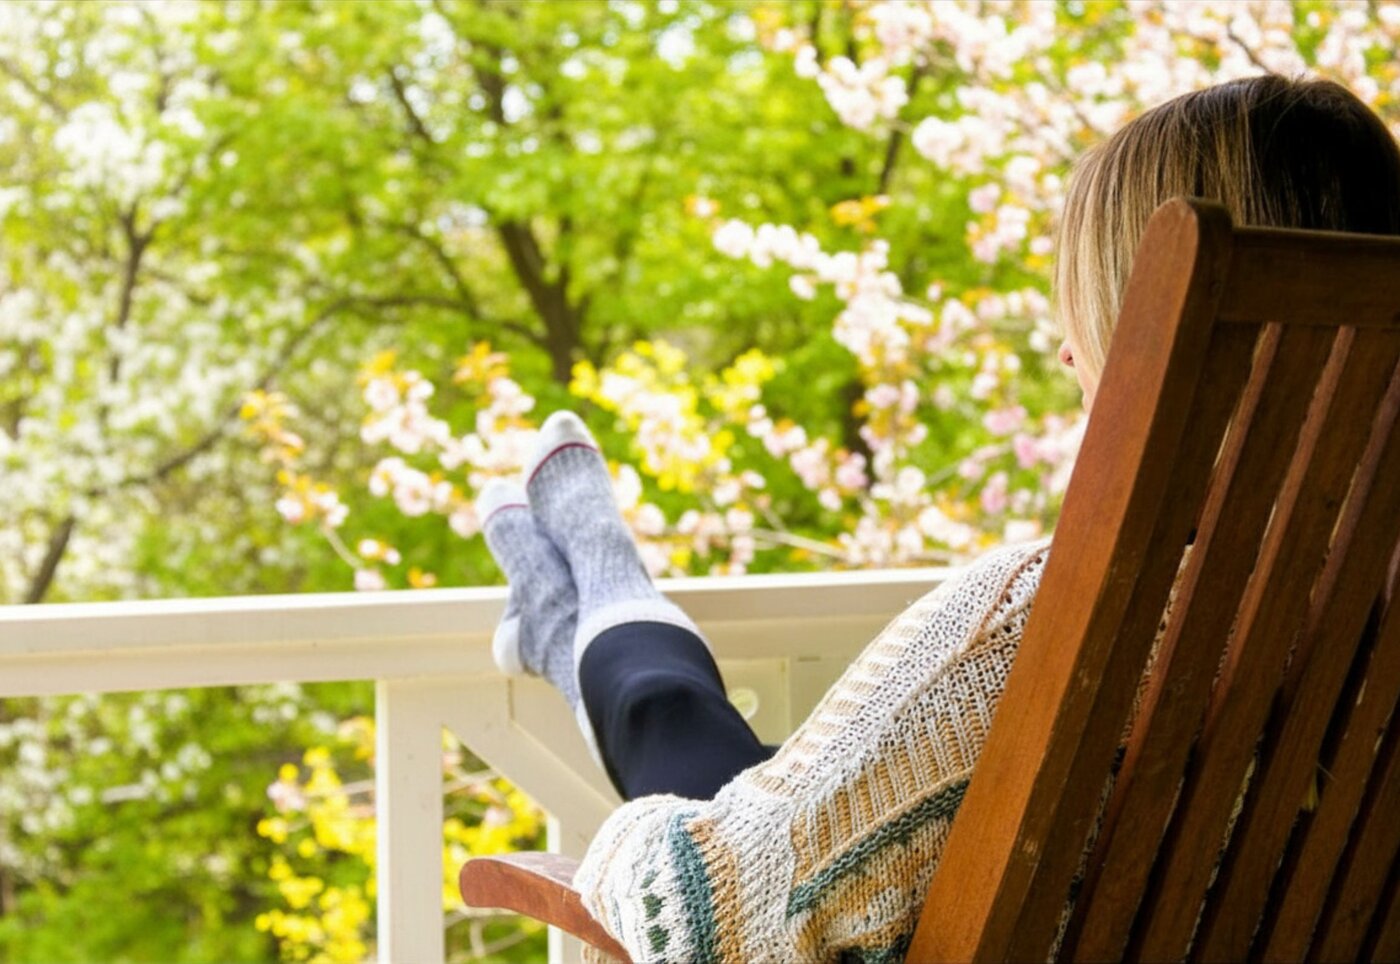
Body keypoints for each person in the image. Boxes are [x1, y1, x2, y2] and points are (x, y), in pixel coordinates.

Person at [474, 74, 1400, 962]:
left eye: (1089, 318)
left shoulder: (1037, 635)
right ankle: (583, 616)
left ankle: (590, 617)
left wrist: (602, 863)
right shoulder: (1364, 615)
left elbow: (704, 909)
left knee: (690, 757)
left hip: (796, 868)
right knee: (750, 776)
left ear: (1151, 337)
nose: (1072, 355)